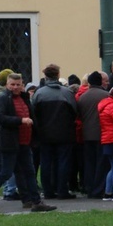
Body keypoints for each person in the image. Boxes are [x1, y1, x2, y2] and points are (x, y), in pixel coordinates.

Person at [0, 73, 57, 213]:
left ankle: (35, 202)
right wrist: (20, 120)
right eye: (12, 84)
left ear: (22, 85)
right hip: (9, 142)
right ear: (7, 85)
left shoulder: (24, 98)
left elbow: (31, 115)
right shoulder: (2, 97)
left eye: (18, 85)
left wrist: (35, 132)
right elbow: (0, 118)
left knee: (29, 172)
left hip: (24, 142)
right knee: (4, 172)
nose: (15, 87)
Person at [31, 64, 78, 199]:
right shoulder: (67, 92)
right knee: (63, 162)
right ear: (58, 75)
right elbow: (74, 111)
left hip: (45, 134)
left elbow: (34, 113)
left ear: (45, 76)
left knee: (45, 162)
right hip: (65, 133)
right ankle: (62, 190)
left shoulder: (39, 93)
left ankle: (48, 191)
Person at [77, 71, 110, 198]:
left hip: (87, 134)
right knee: (101, 163)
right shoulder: (106, 95)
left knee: (89, 163)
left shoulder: (83, 97)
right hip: (102, 134)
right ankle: (98, 189)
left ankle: (89, 187)